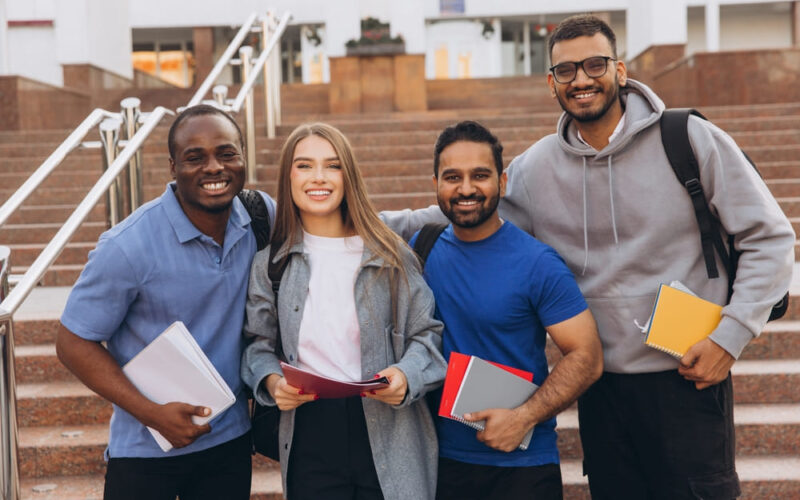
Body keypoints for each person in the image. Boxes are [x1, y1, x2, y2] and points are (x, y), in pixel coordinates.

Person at [498, 14, 795, 499]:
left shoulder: (690, 139)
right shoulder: (533, 170)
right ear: (552, 84)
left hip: (691, 375)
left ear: (620, 70)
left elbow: (771, 237)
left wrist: (730, 337)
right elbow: (477, 218)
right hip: (601, 388)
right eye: (566, 71)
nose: (582, 80)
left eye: (594, 65)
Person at [56, 104, 276, 500]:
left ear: (244, 158)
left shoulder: (260, 217)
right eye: (195, 157)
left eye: (226, 153)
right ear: (172, 167)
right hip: (144, 450)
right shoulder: (127, 246)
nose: (214, 168)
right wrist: (150, 413)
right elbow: (72, 342)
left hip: (229, 442)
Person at [241, 122, 446, 500]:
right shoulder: (270, 264)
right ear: (288, 175)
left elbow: (426, 335)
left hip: (390, 423)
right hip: (308, 429)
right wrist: (272, 383)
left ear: (348, 175)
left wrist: (405, 375)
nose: (318, 177)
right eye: (304, 165)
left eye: (332, 165)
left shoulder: (390, 254)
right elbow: (257, 345)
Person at [411, 121, 603, 500]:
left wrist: (524, 417)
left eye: (479, 176)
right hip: (438, 460)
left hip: (520, 466)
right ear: (436, 183)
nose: (466, 189)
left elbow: (588, 356)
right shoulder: (423, 247)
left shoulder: (538, 262)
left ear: (501, 182)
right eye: (453, 177)